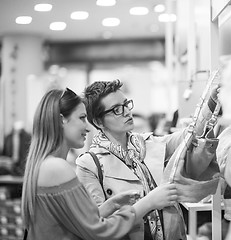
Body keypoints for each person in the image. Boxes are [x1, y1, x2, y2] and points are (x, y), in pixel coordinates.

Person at [21, 87, 178, 240]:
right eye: (82, 118)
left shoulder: (45, 165)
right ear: (62, 119)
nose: (88, 127)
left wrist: (109, 206)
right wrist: (149, 202)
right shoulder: (58, 168)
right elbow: (100, 232)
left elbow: (76, 225)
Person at [76, 79, 219, 240]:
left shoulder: (147, 144)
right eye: (116, 109)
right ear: (98, 122)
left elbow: (188, 136)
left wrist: (211, 104)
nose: (126, 112)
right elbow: (98, 225)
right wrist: (150, 202)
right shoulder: (89, 164)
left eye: (126, 104)